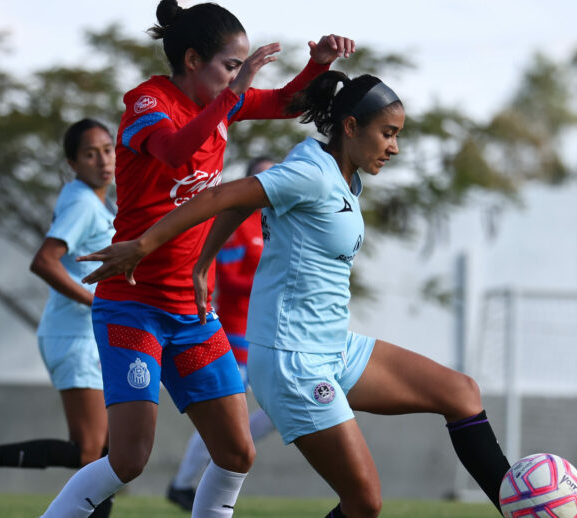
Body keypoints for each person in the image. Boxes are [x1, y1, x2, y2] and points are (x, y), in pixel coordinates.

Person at [78, 72, 577, 518]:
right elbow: (221, 196)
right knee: (364, 503)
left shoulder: (345, 175)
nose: (393, 147)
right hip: (294, 362)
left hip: (334, 347)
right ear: (350, 128)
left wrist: (202, 263)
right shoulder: (311, 171)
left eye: (397, 135)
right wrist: (146, 246)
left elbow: (243, 203)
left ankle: (525, 508)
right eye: (387, 134)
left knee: (460, 392)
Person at [38, 1, 354, 516]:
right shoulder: (147, 102)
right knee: (129, 459)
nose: (239, 77)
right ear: (191, 60)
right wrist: (234, 92)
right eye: (231, 65)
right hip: (132, 307)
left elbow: (287, 102)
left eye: (240, 67)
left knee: (236, 452)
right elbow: (175, 152)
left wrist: (318, 64)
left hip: (191, 311)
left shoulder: (221, 100)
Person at [0, 118, 117, 516]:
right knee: (92, 452)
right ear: (73, 162)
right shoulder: (81, 202)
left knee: (108, 452)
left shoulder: (95, 201)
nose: (102, 160)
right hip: (75, 336)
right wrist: (96, 302)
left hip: (85, 336)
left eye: (107, 149)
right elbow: (44, 261)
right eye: (90, 154)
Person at [166, 157, 278, 511]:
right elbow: (227, 278)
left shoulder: (277, 221)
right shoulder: (236, 225)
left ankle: (192, 481)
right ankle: (184, 484)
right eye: (261, 177)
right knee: (228, 420)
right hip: (234, 333)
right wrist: (269, 281)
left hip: (268, 333)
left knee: (276, 410)